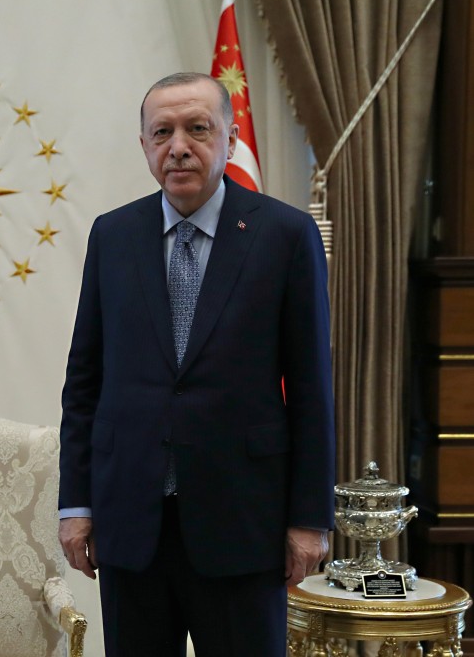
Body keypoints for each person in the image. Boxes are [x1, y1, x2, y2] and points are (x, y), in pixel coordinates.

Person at [58, 72, 334, 656]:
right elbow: (84, 384)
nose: (178, 145)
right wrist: (77, 505)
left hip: (244, 524)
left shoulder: (285, 235)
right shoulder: (113, 235)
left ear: (230, 140)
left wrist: (310, 518)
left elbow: (311, 390)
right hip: (132, 523)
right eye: (162, 132)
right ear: (144, 146)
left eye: (197, 128)